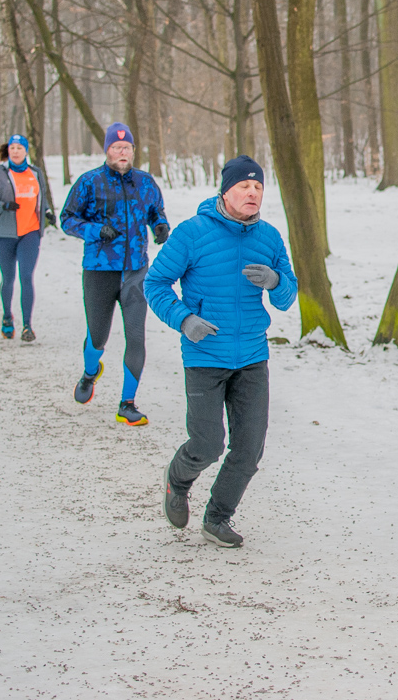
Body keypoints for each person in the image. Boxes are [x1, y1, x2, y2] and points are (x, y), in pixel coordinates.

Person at [145, 155, 298, 548]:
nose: (252, 192)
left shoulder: (269, 238)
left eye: (259, 187)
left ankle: (217, 517)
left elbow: (287, 298)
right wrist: (184, 320)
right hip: (204, 356)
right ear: (225, 191)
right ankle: (177, 481)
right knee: (208, 444)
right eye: (244, 186)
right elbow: (156, 283)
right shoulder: (192, 233)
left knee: (249, 450)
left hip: (251, 355)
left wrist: (276, 279)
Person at [60, 123, 169, 426]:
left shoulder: (145, 182)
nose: (122, 152)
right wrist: (95, 231)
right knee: (98, 336)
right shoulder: (89, 182)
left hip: (136, 271)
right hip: (99, 271)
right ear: (107, 150)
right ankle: (90, 372)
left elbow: (156, 211)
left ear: (133, 151)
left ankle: (128, 403)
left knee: (135, 337)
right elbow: (66, 219)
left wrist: (160, 226)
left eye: (127, 148)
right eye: (116, 147)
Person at [0, 134, 55, 342]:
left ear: (26, 151)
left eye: (19, 148)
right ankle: (6, 316)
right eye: (12, 148)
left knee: (26, 277)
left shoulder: (36, 173)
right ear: (8, 151)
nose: (15, 151)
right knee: (9, 278)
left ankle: (27, 326)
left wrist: (48, 212)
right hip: (3, 234)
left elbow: (42, 198)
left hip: (30, 232)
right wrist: (2, 207)